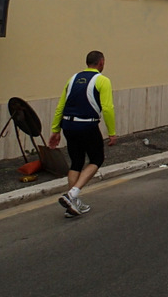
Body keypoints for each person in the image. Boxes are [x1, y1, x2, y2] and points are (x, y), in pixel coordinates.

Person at [48, 50, 116, 217]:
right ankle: (72, 194)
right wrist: (112, 132)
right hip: (87, 125)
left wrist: (56, 130)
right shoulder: (102, 80)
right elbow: (107, 108)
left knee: (76, 162)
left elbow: (60, 106)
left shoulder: (72, 79)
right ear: (101, 63)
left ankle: (73, 204)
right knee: (96, 159)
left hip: (68, 125)